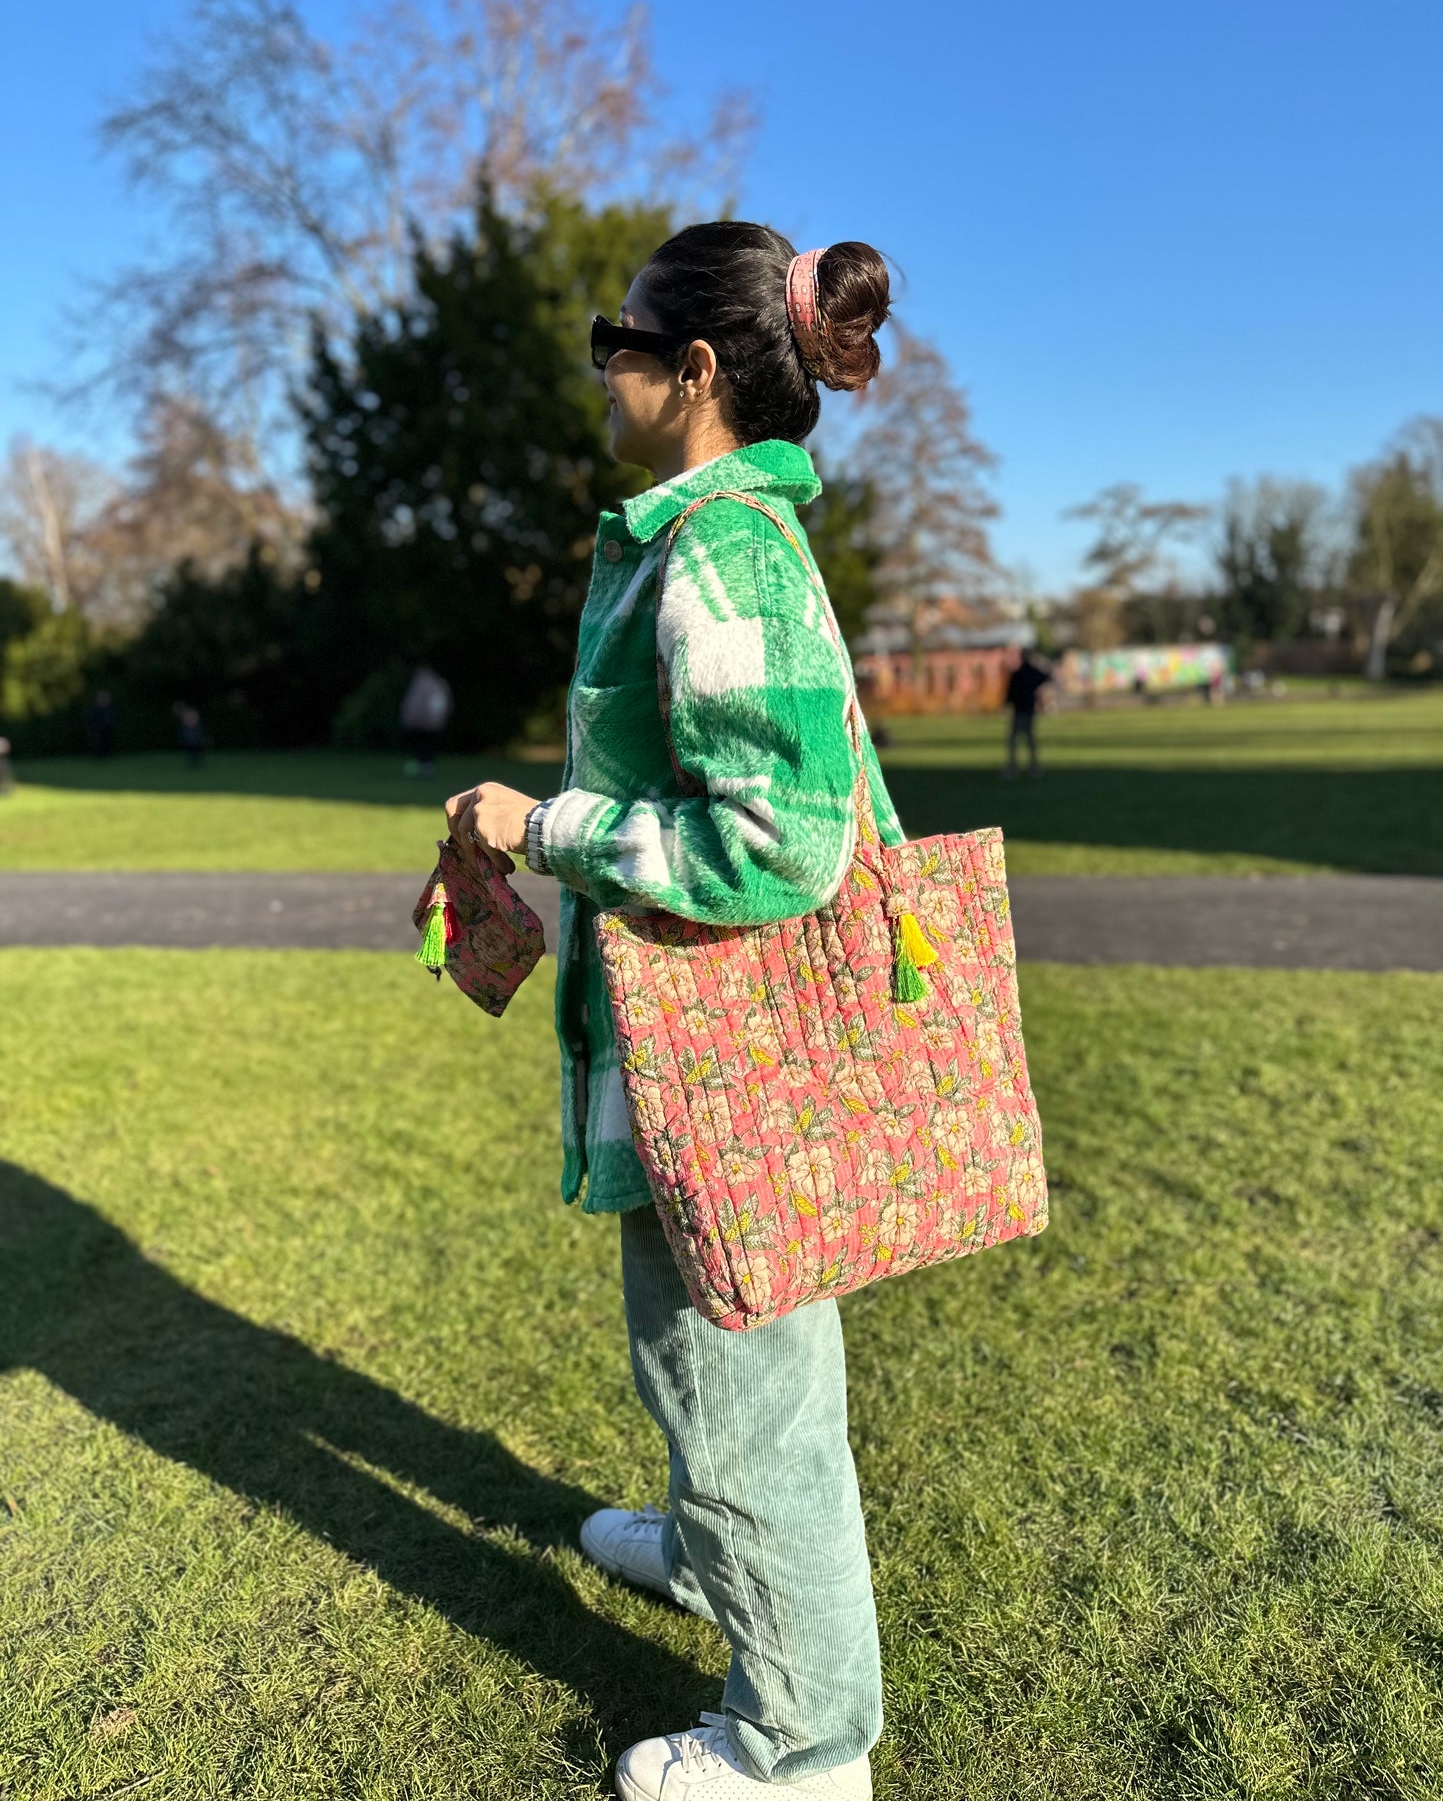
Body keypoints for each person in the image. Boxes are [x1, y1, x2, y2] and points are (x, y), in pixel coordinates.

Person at [445, 226, 898, 1800]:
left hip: (733, 1065)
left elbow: (780, 837)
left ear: (693, 370)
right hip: (698, 1048)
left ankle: (802, 1744)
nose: (605, 365)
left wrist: (549, 827)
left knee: (743, 1381)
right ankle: (715, 1551)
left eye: (615, 338)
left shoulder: (721, 548)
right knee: (714, 1353)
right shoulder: (692, 535)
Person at [399, 664, 454, 777]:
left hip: (422, 722)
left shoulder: (420, 684)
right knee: (429, 745)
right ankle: (427, 766)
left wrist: (410, 719)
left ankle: (424, 767)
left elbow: (415, 704)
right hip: (436, 722)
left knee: (422, 745)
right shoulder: (440, 683)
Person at [1003, 648, 1050, 776]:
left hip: (1019, 709)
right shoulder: (1032, 672)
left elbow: (1010, 692)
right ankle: (1033, 767)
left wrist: (1007, 704)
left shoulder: (1018, 673)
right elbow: (1046, 676)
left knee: (1014, 740)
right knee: (1029, 740)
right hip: (1028, 709)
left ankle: (1013, 767)